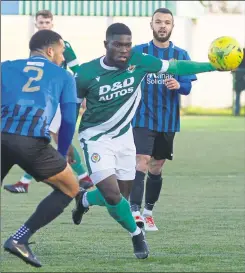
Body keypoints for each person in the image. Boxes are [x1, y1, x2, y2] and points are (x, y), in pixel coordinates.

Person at [71, 23, 219, 259]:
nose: (124, 50)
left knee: (121, 194)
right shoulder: (86, 73)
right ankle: (136, 235)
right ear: (105, 45)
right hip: (95, 138)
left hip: (124, 138)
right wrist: (64, 143)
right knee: (112, 195)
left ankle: (85, 198)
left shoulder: (140, 61)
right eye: (118, 44)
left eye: (127, 45)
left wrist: (214, 66)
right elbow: (72, 108)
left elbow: (177, 65)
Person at [1, 29, 80, 268]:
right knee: (70, 187)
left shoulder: (5, 66)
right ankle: (19, 238)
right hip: (32, 142)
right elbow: (68, 119)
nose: (63, 57)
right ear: (50, 50)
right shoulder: (64, 76)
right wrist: (62, 151)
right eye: (62, 51)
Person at [3, 9, 92, 194]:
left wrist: (77, 93)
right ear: (36, 24)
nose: (44, 25)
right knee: (44, 136)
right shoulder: (35, 45)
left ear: (52, 23)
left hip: (57, 99)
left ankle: (79, 177)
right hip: (41, 102)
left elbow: (77, 70)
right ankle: (81, 177)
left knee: (48, 135)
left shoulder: (62, 44)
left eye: (47, 22)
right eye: (41, 23)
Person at [130, 8, 197, 231]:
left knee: (156, 167)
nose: (162, 26)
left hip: (167, 121)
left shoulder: (181, 55)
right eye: (158, 22)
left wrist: (179, 85)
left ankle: (148, 212)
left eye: (166, 22)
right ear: (151, 25)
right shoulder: (139, 52)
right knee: (142, 160)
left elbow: (187, 87)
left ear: (172, 26)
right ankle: (134, 212)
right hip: (141, 117)